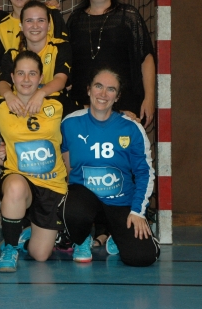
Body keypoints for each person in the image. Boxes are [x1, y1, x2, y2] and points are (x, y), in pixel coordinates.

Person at [59, 68, 160, 266]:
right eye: (98, 86)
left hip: (120, 203)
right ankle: (81, 240)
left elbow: (144, 172)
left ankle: (117, 235)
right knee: (73, 209)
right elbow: (66, 164)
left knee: (142, 258)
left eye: (111, 89)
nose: (103, 94)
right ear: (89, 90)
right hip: (85, 199)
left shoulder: (131, 128)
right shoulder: (70, 123)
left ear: (118, 96)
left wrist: (138, 211)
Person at [0, 51, 68, 271]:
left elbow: (92, 113)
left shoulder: (58, 106)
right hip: (20, 180)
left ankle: (24, 235)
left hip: (52, 184)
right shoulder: (0, 107)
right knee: (16, 187)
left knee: (40, 255)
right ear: (13, 77)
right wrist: (7, 94)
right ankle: (10, 247)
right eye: (20, 73)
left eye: (32, 74)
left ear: (40, 77)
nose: (26, 79)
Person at [67, 0, 155, 126]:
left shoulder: (128, 16)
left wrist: (149, 98)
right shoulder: (75, 20)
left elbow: (146, 58)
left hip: (124, 103)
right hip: (84, 104)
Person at [0, 0, 73, 117]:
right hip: (22, 109)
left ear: (48, 26)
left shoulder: (61, 47)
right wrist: (8, 95)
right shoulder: (12, 54)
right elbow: (3, 83)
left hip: (54, 109)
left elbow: (60, 80)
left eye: (41, 20)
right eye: (29, 21)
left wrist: (40, 94)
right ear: (21, 26)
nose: (35, 26)